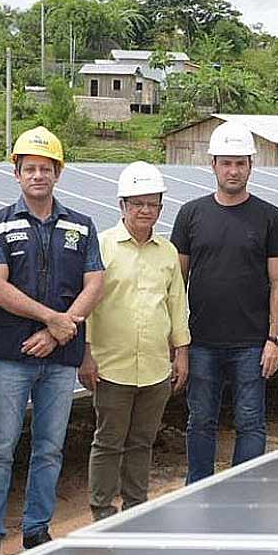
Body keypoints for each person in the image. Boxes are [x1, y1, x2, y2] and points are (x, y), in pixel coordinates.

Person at [0, 126, 104, 555]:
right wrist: (53, 319)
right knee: (0, 447)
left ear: (58, 173)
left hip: (61, 358)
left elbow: (95, 283)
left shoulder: (81, 226)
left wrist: (59, 331)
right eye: (29, 168)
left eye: (46, 169)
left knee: (50, 446)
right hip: (12, 356)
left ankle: (36, 529)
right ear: (16, 173)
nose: (38, 176)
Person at [170, 121, 278, 484]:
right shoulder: (191, 214)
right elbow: (177, 282)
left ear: (251, 166)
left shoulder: (269, 217)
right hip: (202, 341)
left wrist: (275, 339)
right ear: (213, 165)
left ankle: (242, 491)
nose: (233, 170)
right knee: (200, 421)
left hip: (252, 343)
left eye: (240, 163)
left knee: (251, 422)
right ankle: (199, 489)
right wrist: (179, 343)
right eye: (226, 163)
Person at [79, 162, 190, 521]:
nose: (145, 210)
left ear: (160, 207)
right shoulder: (102, 247)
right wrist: (86, 354)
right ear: (122, 205)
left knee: (142, 441)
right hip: (112, 364)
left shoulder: (167, 251)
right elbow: (88, 306)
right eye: (137, 203)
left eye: (152, 204)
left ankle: (135, 506)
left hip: (156, 365)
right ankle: (101, 510)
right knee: (108, 440)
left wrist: (181, 353)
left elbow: (177, 304)